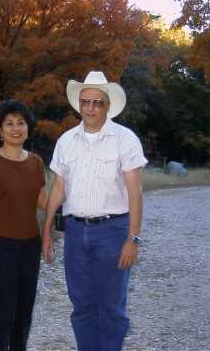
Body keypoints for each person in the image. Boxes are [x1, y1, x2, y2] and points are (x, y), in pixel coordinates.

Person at [42, 71, 147, 351]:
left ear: (108, 105)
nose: (90, 108)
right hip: (75, 232)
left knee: (111, 306)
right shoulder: (66, 141)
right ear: (79, 103)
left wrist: (132, 239)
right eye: (85, 101)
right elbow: (57, 189)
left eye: (97, 102)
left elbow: (135, 193)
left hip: (113, 232)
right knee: (82, 305)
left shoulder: (125, 140)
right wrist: (46, 232)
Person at [0, 99, 48, 351]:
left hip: (30, 245)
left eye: (21, 123)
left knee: (24, 313)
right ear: (0, 130)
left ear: (28, 128)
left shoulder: (36, 162)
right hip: (1, 245)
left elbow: (42, 201)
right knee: (2, 314)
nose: (16, 128)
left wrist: (70, 204)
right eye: (9, 124)